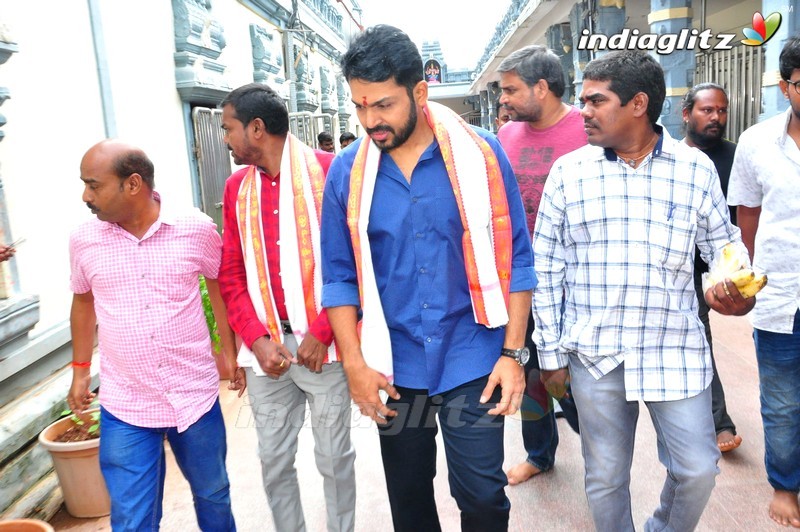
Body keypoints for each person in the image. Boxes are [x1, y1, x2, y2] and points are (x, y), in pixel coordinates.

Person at [320, 25, 534, 532]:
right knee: (409, 500)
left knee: (482, 495)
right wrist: (354, 364)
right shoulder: (348, 174)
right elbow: (337, 276)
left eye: (384, 106)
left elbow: (517, 259)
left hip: (472, 355)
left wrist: (512, 355)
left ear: (420, 91)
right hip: (394, 364)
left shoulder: (480, 156)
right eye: (360, 106)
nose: (370, 121)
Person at [533, 50, 756, 531]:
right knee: (606, 477)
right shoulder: (569, 174)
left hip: (672, 347)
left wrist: (738, 288)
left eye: (597, 100)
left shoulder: (694, 170)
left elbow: (726, 250)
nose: (584, 112)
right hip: (596, 353)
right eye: (583, 100)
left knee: (697, 469)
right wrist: (549, 353)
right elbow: (546, 268)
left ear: (638, 104)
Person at [68, 140, 243, 531]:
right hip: (126, 403)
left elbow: (219, 285)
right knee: (132, 517)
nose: (86, 196)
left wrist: (228, 350)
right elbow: (83, 303)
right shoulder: (84, 240)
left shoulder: (194, 228)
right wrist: (81, 370)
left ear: (133, 184)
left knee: (213, 494)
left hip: (192, 396)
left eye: (94, 185)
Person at [218, 83, 356, 532]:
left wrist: (322, 331)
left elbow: (354, 264)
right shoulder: (237, 188)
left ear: (256, 129)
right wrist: (256, 340)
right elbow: (232, 273)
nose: (225, 138)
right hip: (267, 353)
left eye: (229, 128)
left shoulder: (330, 172)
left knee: (335, 459)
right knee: (274, 461)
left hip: (325, 348)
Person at [495, 44, 584, 486]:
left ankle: (602, 448)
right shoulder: (506, 137)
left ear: (542, 88)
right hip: (522, 282)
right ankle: (539, 453)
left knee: (576, 379)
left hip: (577, 281)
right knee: (531, 374)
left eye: (511, 90)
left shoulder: (585, 130)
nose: (503, 99)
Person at [727, 34, 800, 529]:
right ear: (785, 86)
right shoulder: (756, 143)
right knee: (781, 402)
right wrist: (746, 280)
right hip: (782, 296)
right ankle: (786, 486)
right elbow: (746, 217)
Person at [681, 82, 742, 453]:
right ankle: (720, 423)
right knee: (700, 341)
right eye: (707, 110)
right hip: (685, 269)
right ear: (686, 113)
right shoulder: (672, 158)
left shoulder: (737, 156)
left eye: (721, 110)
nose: (716, 117)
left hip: (729, 267)